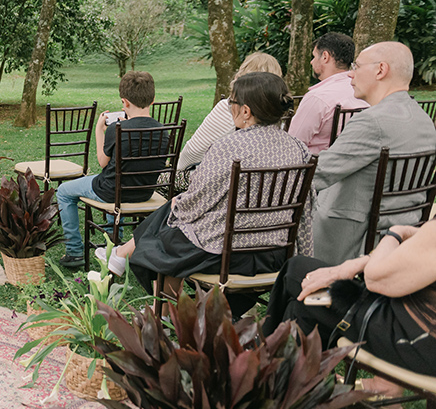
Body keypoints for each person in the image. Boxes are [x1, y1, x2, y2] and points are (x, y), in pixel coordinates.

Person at [99, 73, 313, 314]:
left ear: (245, 111)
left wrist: (176, 207)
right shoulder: (299, 148)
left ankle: (168, 313)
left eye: (231, 102)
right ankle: (184, 307)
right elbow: (306, 210)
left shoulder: (229, 146)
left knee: (165, 235)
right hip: (274, 254)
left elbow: (196, 202)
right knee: (171, 220)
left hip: (225, 255)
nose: (229, 107)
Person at [311, 42, 436, 265]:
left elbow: (316, 174)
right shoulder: (424, 121)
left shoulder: (371, 122)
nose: (350, 74)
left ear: (380, 70)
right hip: (403, 233)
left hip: (351, 240)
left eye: (356, 66)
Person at [266, 220, 436, 381]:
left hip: (418, 339)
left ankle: (262, 368)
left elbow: (375, 278)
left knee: (296, 271)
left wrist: (396, 232)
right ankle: (279, 378)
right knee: (304, 305)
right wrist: (364, 261)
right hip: (421, 327)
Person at [55, 71, 165, 269]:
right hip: (145, 192)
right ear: (153, 99)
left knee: (63, 191)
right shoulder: (164, 131)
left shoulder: (117, 129)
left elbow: (103, 162)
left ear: (124, 102)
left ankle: (74, 251)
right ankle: (114, 244)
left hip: (111, 191)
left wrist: (99, 130)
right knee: (115, 180)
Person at [177, 53, 281, 174]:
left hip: (213, 177)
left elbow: (193, 152)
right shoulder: (281, 127)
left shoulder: (229, 109)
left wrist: (180, 170)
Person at [288, 32, 368, 154]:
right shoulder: (364, 92)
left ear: (325, 56)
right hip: (355, 161)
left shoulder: (318, 97)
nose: (311, 62)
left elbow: (294, 143)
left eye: (314, 56)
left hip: (316, 167)